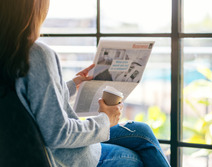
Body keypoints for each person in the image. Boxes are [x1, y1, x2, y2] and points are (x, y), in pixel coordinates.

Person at [0, 0, 171, 167]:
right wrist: (105, 119)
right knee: (138, 157)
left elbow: (33, 103)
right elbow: (58, 134)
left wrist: (73, 85)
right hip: (68, 157)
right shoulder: (37, 54)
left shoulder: (10, 52)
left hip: (60, 150)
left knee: (141, 131)